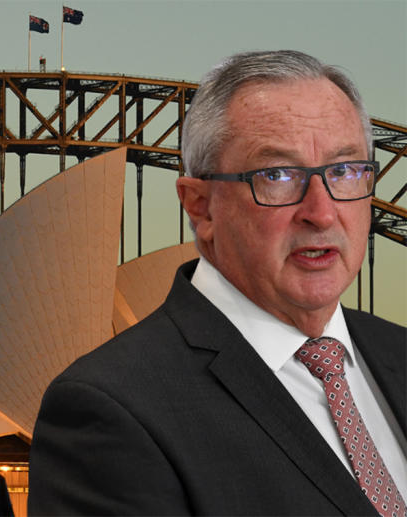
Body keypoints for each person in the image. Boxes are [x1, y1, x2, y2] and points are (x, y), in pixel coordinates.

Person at [29, 50, 406, 515]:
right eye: (277, 176)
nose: (322, 212)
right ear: (200, 207)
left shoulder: (398, 354)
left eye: (346, 171)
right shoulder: (110, 409)